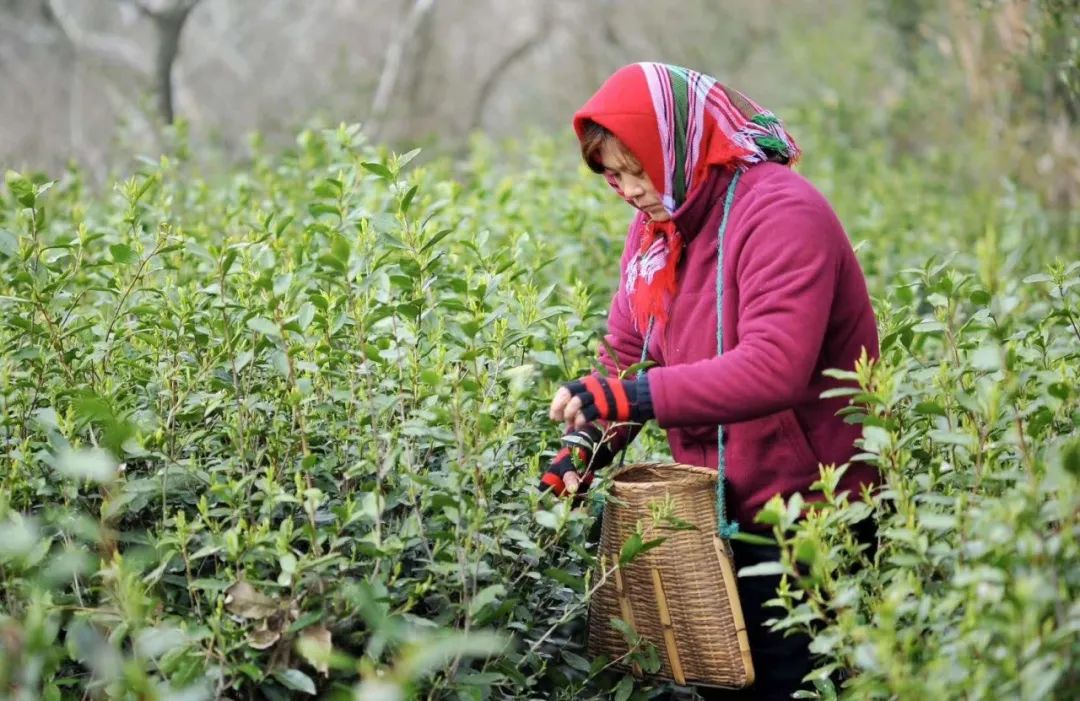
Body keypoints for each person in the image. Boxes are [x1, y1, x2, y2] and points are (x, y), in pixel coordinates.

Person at [539, 63, 881, 699]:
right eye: (614, 176)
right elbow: (626, 354)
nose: (630, 190)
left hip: (811, 520)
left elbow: (773, 366)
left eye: (638, 168)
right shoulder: (658, 233)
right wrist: (586, 446)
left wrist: (634, 396)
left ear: (678, 144)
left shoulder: (781, 212)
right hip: (715, 517)